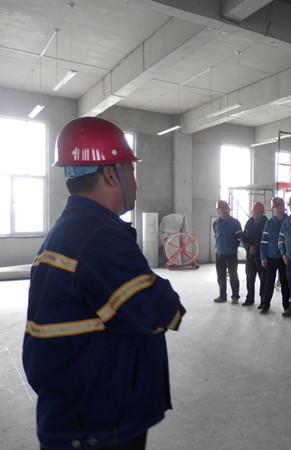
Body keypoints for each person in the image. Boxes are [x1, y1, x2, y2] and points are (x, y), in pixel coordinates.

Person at [23, 117, 186, 450]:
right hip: (100, 425)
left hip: (74, 416)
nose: (135, 181)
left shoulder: (68, 230)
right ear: (112, 175)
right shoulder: (100, 238)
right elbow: (162, 312)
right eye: (131, 170)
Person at [259, 197, 290, 314]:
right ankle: (265, 304)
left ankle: (286, 305)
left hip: (285, 258)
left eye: (281, 207)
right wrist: (263, 257)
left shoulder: (289, 221)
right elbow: (264, 241)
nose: (279, 210)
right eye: (276, 208)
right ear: (273, 209)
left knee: (285, 282)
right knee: (268, 283)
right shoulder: (269, 223)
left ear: (284, 208)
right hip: (271, 257)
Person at [213, 200, 242, 304]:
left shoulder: (235, 223)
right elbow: (216, 235)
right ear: (218, 211)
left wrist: (233, 247)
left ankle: (235, 296)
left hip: (231, 254)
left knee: (233, 276)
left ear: (228, 209)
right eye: (221, 209)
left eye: (225, 209)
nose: (223, 211)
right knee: (220, 276)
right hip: (219, 253)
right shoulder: (215, 223)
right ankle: (222, 296)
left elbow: (239, 238)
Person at [241, 202, 268, 306]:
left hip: (262, 256)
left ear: (262, 213)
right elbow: (244, 238)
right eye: (255, 212)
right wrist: (248, 247)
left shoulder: (266, 223)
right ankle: (250, 298)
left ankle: (263, 301)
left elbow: (268, 239)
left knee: (263, 279)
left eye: (259, 212)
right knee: (250, 278)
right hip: (250, 256)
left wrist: (256, 247)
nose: (256, 214)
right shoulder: (249, 223)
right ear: (252, 212)